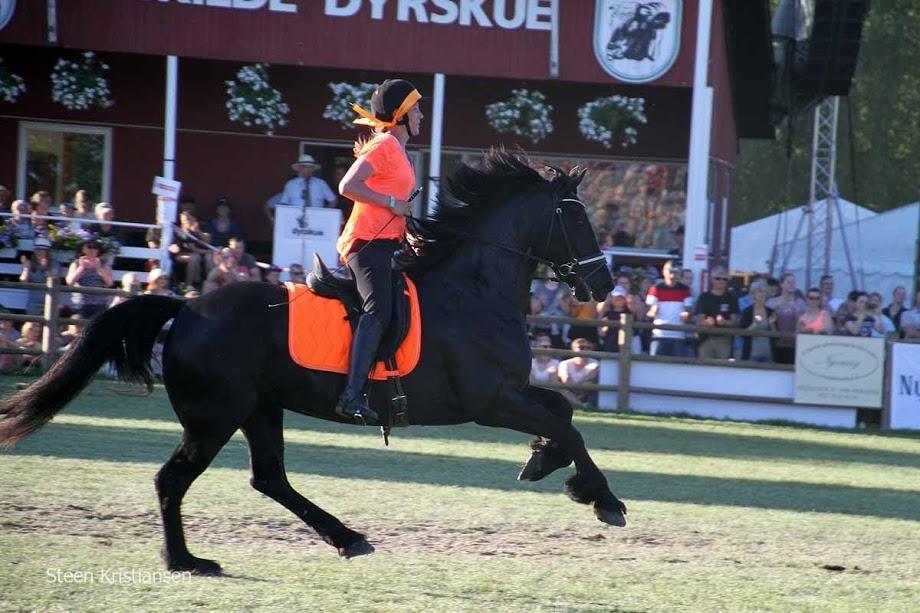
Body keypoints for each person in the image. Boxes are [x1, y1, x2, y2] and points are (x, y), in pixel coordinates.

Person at [334, 78, 424, 422]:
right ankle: (351, 396)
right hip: (366, 245)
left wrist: (407, 232)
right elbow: (348, 185)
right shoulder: (385, 144)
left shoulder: (400, 151)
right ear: (400, 114)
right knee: (378, 312)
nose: (421, 115)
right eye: (416, 109)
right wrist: (391, 203)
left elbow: (396, 208)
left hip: (388, 246)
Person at [265, 153, 337, 222]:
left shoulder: (321, 184)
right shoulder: (291, 184)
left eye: (310, 167)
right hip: (295, 221)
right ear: (299, 168)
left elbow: (333, 200)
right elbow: (284, 204)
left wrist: (325, 215)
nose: (308, 170)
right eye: (305, 167)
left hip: (317, 221)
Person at [645, 260, 692, 357]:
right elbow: (648, 311)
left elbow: (689, 310)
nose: (672, 275)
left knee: (677, 368)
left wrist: (687, 314)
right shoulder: (656, 288)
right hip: (659, 334)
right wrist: (653, 311)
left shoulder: (685, 289)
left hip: (678, 336)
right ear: (664, 272)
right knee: (655, 365)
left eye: (675, 272)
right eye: (670, 271)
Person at [694, 265, 739, 359]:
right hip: (705, 339)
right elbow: (698, 320)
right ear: (712, 279)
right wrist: (706, 322)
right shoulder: (704, 298)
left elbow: (735, 321)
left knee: (723, 370)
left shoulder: (732, 298)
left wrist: (725, 322)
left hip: (724, 339)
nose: (721, 281)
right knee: (704, 368)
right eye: (718, 278)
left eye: (724, 279)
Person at [65, 238, 114, 319]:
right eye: (89, 247)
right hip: (80, 304)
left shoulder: (103, 264)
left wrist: (99, 269)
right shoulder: (76, 263)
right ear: (83, 249)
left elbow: (110, 283)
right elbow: (69, 282)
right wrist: (81, 268)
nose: (92, 249)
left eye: (95, 247)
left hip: (100, 304)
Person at [766, 272, 806, 364]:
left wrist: (795, 311)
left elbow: (805, 322)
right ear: (781, 284)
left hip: (796, 344)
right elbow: (768, 321)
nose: (792, 285)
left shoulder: (801, 304)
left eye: (793, 282)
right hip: (777, 344)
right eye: (789, 282)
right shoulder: (772, 302)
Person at [19, 237, 60, 316]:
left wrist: (44, 268)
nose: (39, 252)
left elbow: (54, 278)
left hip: (50, 301)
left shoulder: (54, 263)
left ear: (47, 251)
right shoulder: (30, 263)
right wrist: (26, 268)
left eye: (42, 249)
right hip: (33, 302)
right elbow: (23, 280)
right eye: (37, 249)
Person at [739, 279, 775, 362]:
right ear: (753, 294)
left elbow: (776, 336)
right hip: (751, 354)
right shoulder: (747, 312)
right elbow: (742, 334)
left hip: (768, 353)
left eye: (765, 291)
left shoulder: (771, 312)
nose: (762, 294)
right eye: (760, 291)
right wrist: (754, 325)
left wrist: (771, 324)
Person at [557, 338, 599, 406]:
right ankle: (582, 406)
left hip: (585, 393)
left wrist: (579, 390)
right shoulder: (564, 363)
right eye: (581, 347)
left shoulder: (595, 363)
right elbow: (566, 381)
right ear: (573, 350)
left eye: (588, 347)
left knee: (589, 384)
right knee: (561, 390)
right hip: (569, 391)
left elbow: (590, 380)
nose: (585, 350)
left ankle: (576, 404)